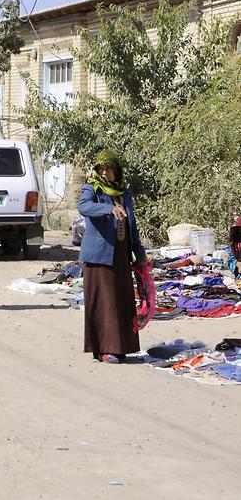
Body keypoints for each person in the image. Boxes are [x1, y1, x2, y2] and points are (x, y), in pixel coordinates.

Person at [78, 150, 146, 364]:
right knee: (105, 303)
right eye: (101, 169)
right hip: (99, 256)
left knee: (122, 302)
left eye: (108, 168)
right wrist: (108, 209)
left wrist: (140, 255)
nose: (104, 172)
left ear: (116, 170)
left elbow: (132, 227)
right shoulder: (92, 189)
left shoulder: (124, 194)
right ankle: (105, 349)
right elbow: (84, 207)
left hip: (120, 256)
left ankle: (120, 346)